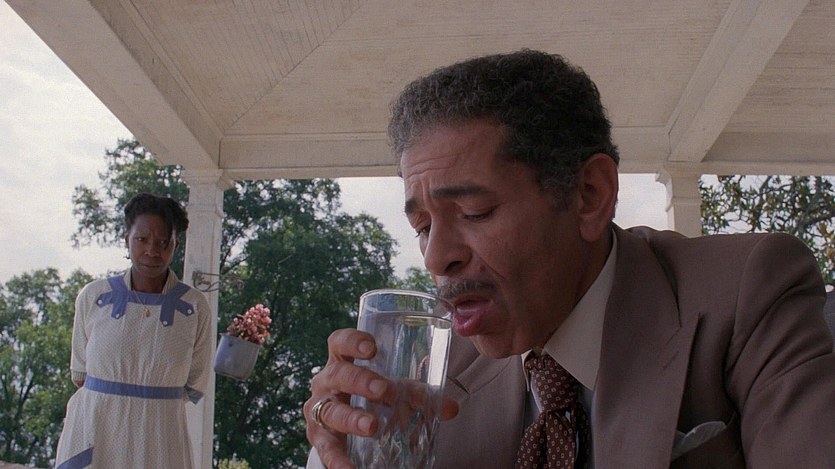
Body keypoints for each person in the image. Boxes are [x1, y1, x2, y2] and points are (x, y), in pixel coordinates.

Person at [303, 49, 835, 469]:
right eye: (422, 227)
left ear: (589, 195)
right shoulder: (428, 376)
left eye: (474, 212)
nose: (437, 258)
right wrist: (342, 449)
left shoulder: (746, 293)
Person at [55, 193, 213, 469]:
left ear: (176, 244)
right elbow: (81, 374)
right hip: (96, 434)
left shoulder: (194, 307)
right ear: (126, 238)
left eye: (163, 242)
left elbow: (195, 384)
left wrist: (149, 403)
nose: (152, 250)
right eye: (142, 239)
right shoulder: (94, 297)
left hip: (161, 439)